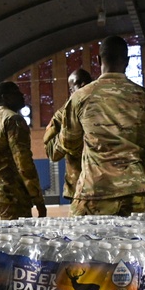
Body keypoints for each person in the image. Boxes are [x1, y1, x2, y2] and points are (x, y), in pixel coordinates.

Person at [60, 36, 145, 216]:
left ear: (98, 60)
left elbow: (69, 144)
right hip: (133, 193)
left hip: (93, 191)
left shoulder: (80, 97)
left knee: (88, 243)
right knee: (131, 244)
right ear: (127, 61)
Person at [0, 81, 47, 220]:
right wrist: (38, 198)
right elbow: (24, 163)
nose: (22, 95)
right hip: (11, 197)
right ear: (5, 97)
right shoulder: (13, 120)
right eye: (16, 92)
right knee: (18, 240)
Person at [43, 68, 92, 201]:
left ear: (81, 85)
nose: (71, 92)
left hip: (80, 185)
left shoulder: (65, 112)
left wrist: (65, 135)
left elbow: (53, 152)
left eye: (72, 88)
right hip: (106, 184)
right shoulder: (109, 105)